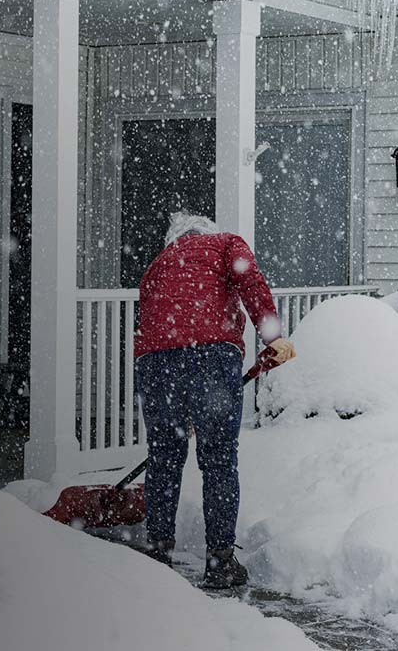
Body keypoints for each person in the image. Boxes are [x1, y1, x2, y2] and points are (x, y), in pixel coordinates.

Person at [134, 212, 296, 589]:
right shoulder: (225, 244)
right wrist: (272, 337)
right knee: (219, 458)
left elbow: (151, 319)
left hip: (155, 363)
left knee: (164, 456)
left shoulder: (158, 264)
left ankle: (158, 552)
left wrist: (172, 384)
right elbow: (251, 283)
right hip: (210, 356)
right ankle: (220, 561)